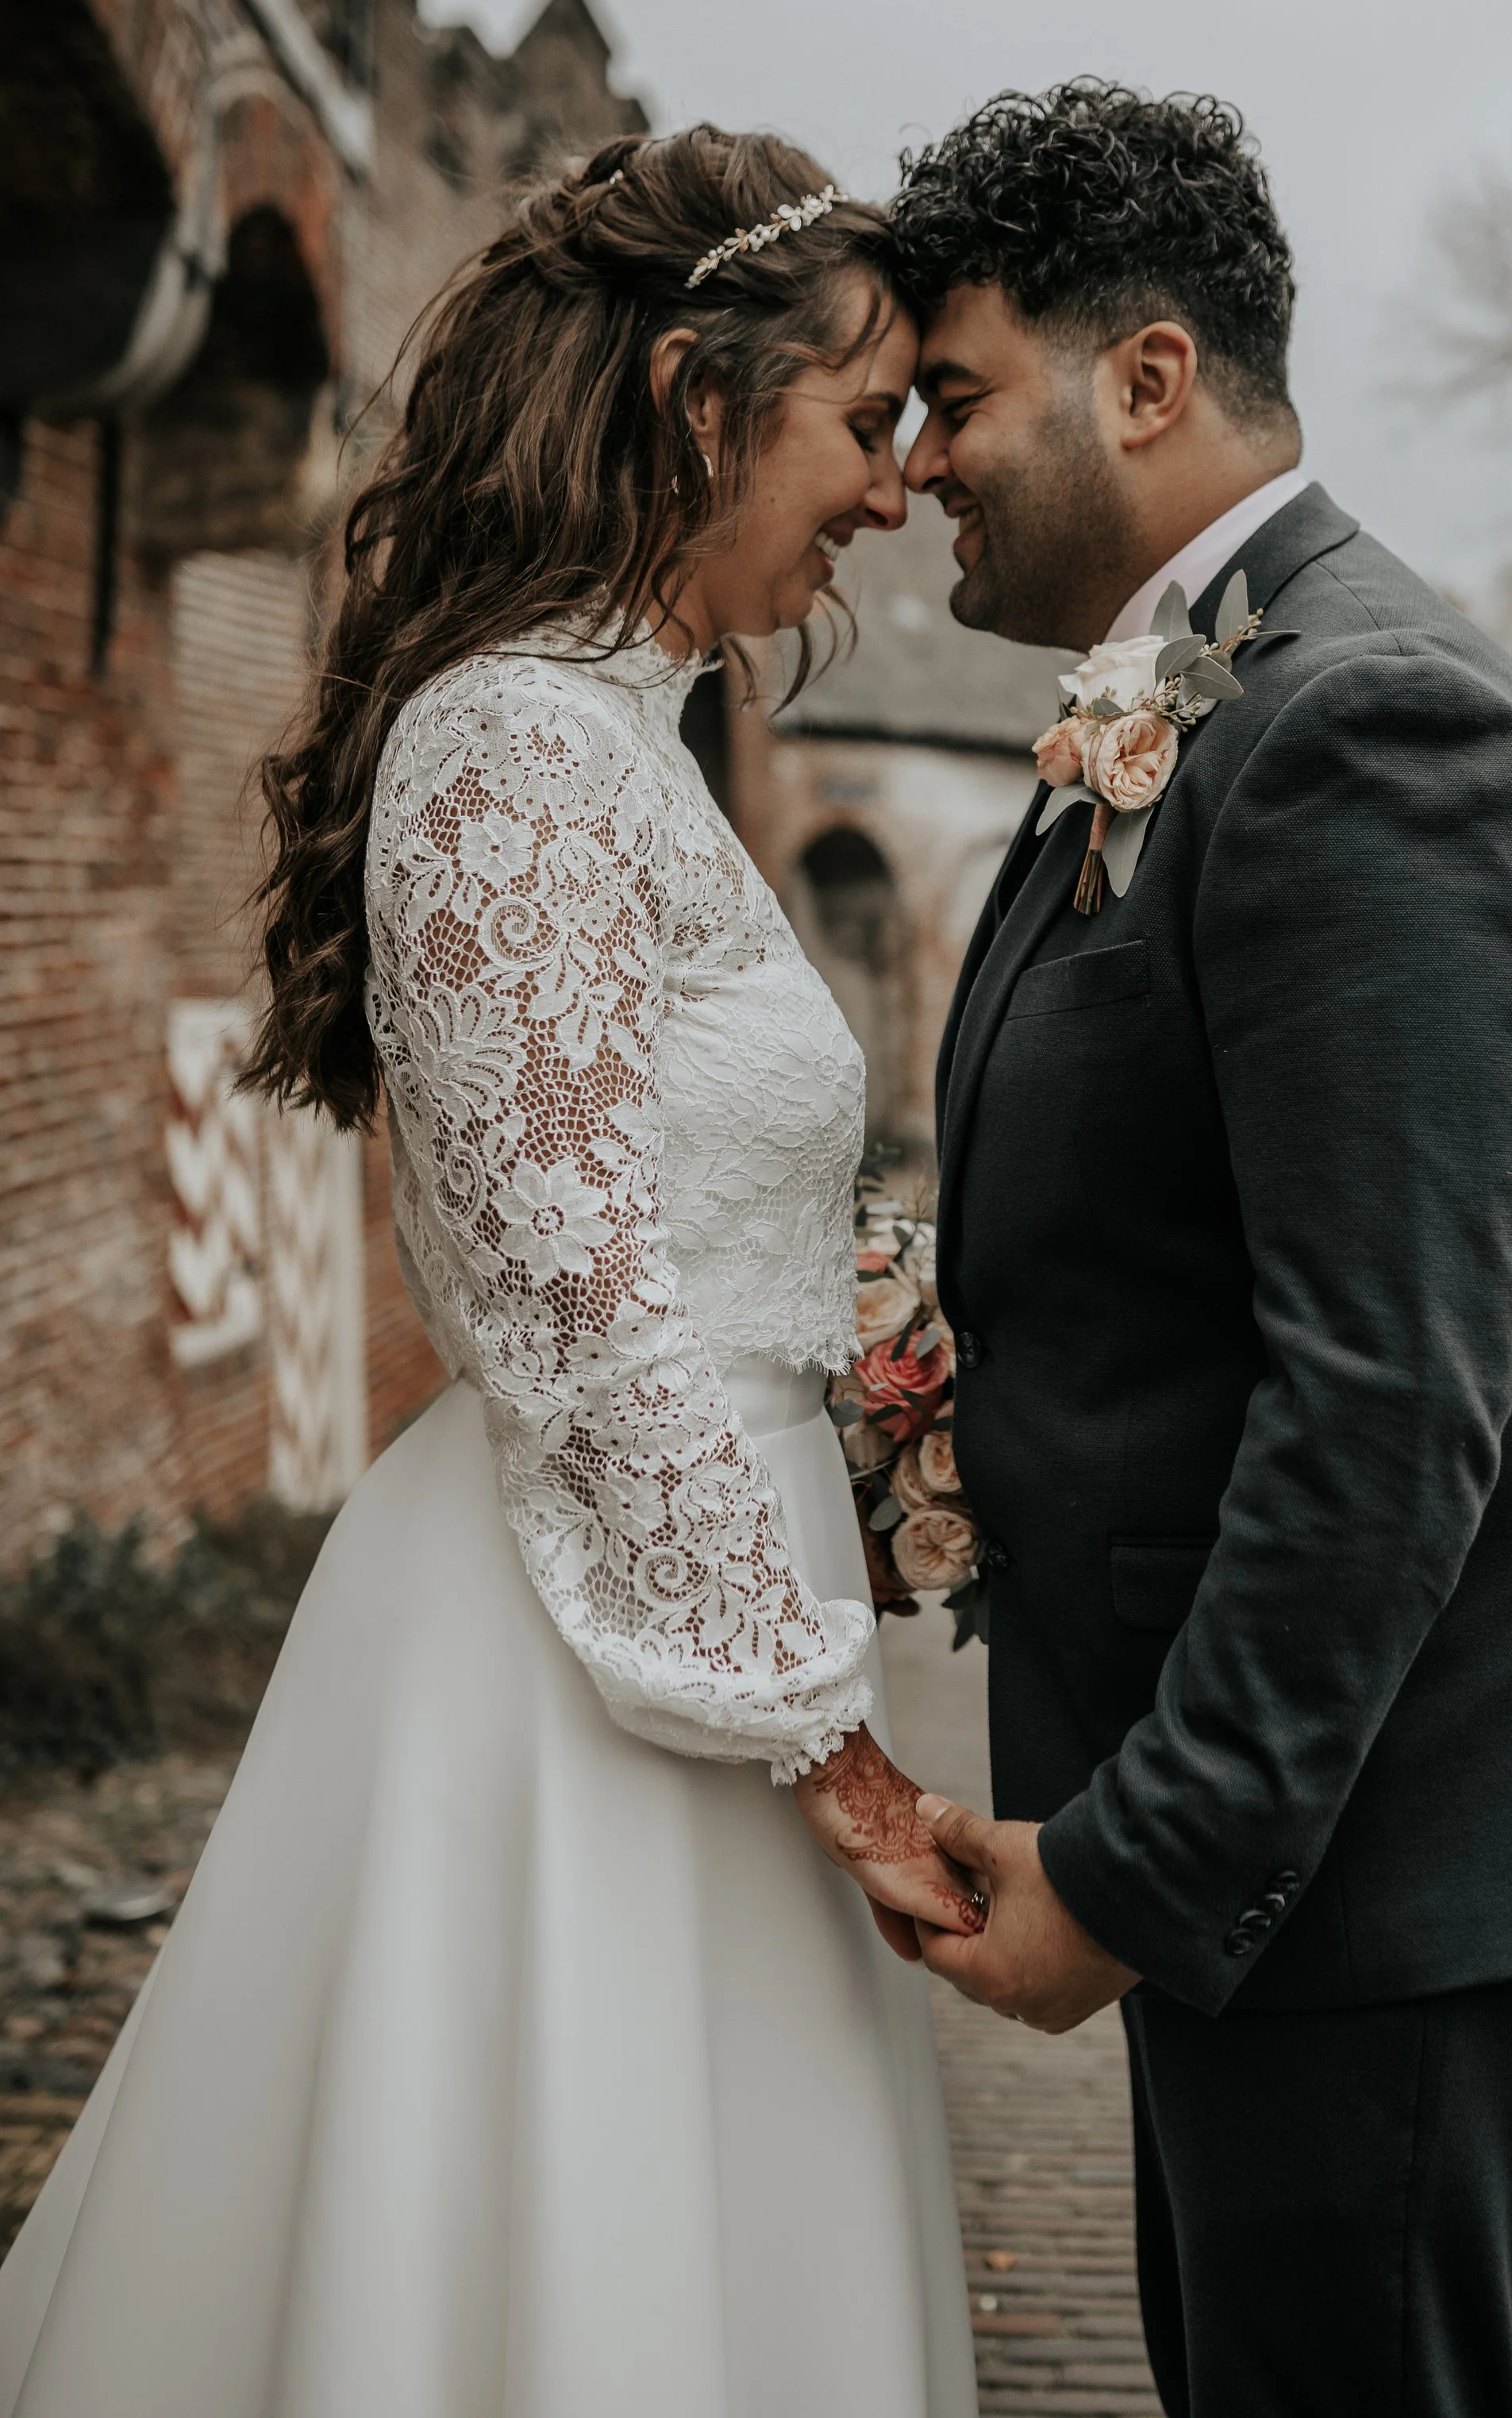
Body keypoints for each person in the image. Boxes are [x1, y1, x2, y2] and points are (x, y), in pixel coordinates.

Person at [0, 133, 979, 2418]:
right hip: (585, 1654)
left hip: (708, 1629)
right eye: (860, 426)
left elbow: (686, 1209)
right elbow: (578, 1307)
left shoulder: (617, 736)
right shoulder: (516, 746)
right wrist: (826, 1756)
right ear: (688, 398)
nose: (891, 493)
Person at [887, 83, 1512, 2418]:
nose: (912, 466)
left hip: (1390, 1867)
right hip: (1304, 1872)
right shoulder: (1186, 696)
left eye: (954, 397)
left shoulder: (1364, 725)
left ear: (1147, 378)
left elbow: (1388, 1388)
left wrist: (1132, 1866)